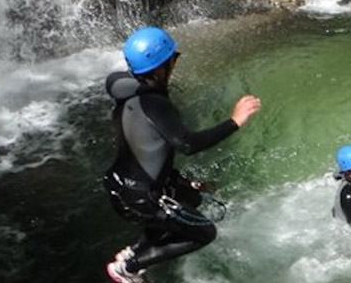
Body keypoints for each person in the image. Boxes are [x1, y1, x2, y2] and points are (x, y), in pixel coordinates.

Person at [102, 26, 261, 283]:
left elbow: (147, 152)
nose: (175, 65)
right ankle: (129, 267)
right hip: (142, 199)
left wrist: (183, 182)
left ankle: (136, 253)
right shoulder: (155, 103)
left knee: (191, 197)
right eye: (172, 60)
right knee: (204, 232)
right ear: (162, 66)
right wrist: (235, 121)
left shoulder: (128, 96)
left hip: (121, 188)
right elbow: (186, 143)